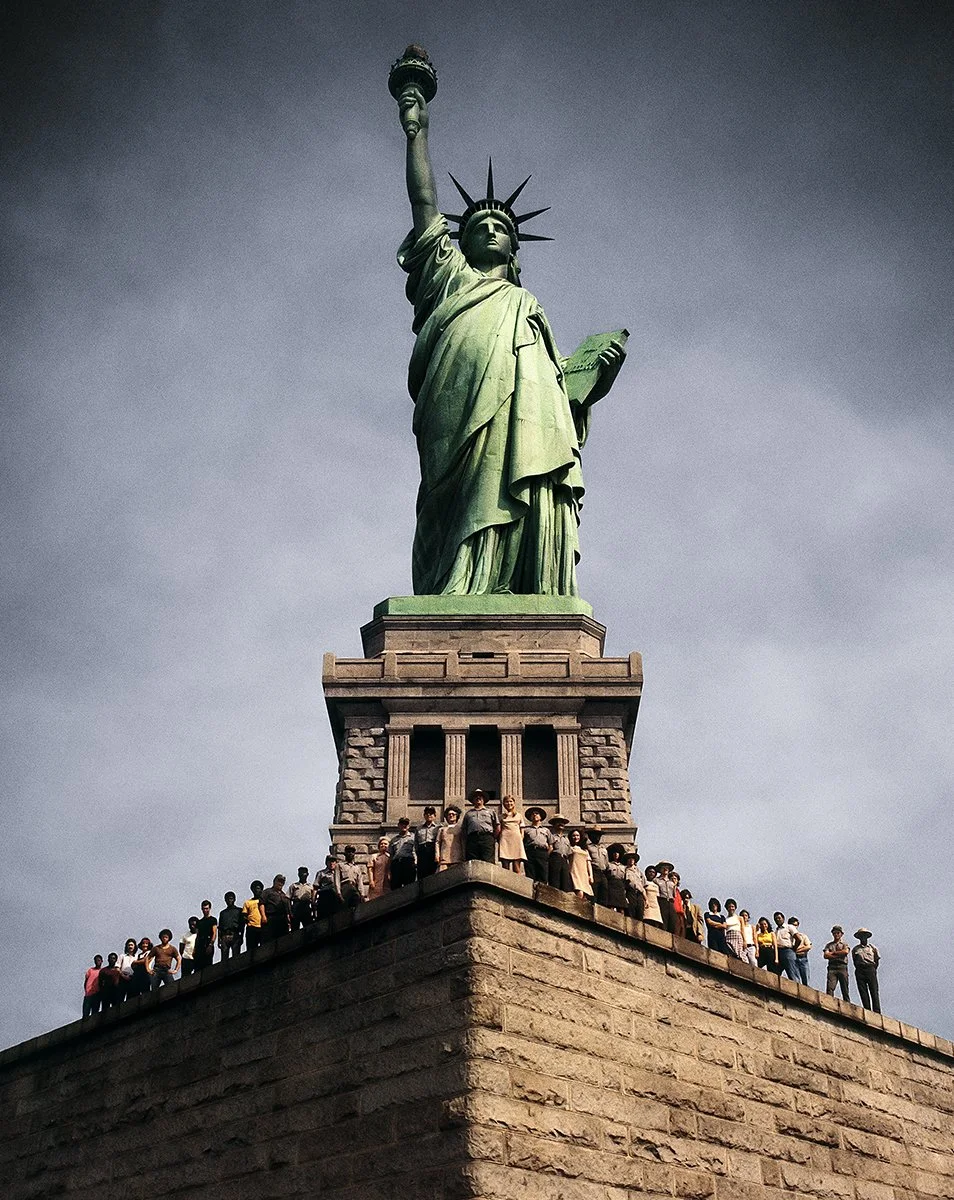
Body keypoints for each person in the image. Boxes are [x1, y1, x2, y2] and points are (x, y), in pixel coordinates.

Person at [395, 78, 626, 597]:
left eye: (501, 225)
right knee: (460, 498)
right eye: (479, 224)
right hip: (457, 416)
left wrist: (592, 379)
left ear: (515, 248)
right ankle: (460, 582)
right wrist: (416, 129)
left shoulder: (529, 310)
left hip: (524, 424)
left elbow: (557, 393)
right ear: (464, 239)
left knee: (527, 470)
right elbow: (425, 203)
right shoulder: (449, 278)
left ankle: (523, 585)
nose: (491, 228)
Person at [461, 791, 498, 863]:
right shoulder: (468, 814)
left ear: (484, 799)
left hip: (487, 838)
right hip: (472, 839)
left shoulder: (491, 812)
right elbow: (464, 829)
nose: (478, 798)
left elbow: (497, 826)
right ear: (473, 800)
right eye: (476, 796)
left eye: (480, 796)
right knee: (472, 861)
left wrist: (492, 838)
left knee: (488, 861)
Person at [852, 928, 880, 1012]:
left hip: (870, 969)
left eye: (864, 936)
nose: (863, 938)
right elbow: (854, 960)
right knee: (863, 991)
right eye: (861, 936)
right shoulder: (855, 949)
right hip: (860, 969)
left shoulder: (872, 948)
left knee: (874, 990)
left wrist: (873, 968)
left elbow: (877, 959)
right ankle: (867, 1009)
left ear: (867, 937)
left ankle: (877, 1011)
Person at [497, 795, 526, 873]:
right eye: (507, 801)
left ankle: (517, 884)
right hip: (505, 840)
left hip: (516, 840)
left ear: (514, 803)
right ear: (503, 804)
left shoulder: (519, 815)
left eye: (511, 801)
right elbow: (498, 829)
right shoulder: (501, 816)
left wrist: (520, 838)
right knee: (505, 867)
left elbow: (522, 829)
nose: (509, 803)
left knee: (516, 867)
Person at [522, 807, 550, 882]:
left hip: (542, 853)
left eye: (537, 813)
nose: (534, 815)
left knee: (543, 874)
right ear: (530, 817)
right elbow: (523, 843)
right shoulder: (526, 830)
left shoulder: (546, 830)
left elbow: (551, 845)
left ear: (540, 817)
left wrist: (547, 854)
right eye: (532, 814)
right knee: (530, 875)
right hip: (530, 852)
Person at [823, 925, 851, 1000]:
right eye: (835, 933)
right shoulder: (829, 945)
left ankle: (847, 1004)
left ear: (841, 934)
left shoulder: (844, 944)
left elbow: (845, 952)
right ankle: (829, 1002)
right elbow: (825, 955)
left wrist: (832, 953)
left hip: (842, 966)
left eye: (838, 933)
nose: (836, 934)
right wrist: (838, 954)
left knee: (844, 988)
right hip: (832, 967)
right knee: (830, 987)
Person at [389, 817, 417, 887]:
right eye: (402, 824)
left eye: (406, 824)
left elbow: (417, 851)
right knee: (395, 886)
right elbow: (391, 856)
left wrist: (416, 862)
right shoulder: (393, 840)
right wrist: (389, 870)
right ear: (398, 825)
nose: (404, 826)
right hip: (396, 864)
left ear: (409, 826)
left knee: (409, 886)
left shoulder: (414, 837)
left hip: (408, 863)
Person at [261, 875, 291, 941]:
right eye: (279, 881)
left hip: (282, 920)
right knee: (269, 939)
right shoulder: (267, 892)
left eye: (282, 882)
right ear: (274, 881)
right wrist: (263, 916)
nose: (281, 883)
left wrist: (289, 921)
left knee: (283, 939)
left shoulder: (284, 895)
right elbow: (262, 903)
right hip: (271, 918)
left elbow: (287, 909)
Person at [546, 815, 572, 890]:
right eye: (558, 822)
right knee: (554, 882)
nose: (561, 824)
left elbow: (569, 853)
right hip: (554, 859)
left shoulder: (566, 839)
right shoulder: (551, 836)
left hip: (564, 860)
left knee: (565, 883)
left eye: (563, 822)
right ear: (554, 824)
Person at [772, 912, 799, 981]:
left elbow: (798, 938)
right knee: (776, 973)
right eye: (775, 919)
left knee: (792, 972)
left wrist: (794, 948)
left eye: (779, 918)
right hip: (778, 952)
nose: (777, 920)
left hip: (787, 951)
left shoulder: (789, 927)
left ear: (783, 918)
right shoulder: (776, 931)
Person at [414, 807, 441, 878]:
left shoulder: (438, 828)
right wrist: (416, 857)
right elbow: (416, 843)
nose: (429, 815)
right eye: (427, 813)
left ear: (435, 815)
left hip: (433, 852)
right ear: (424, 815)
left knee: (433, 874)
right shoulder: (418, 828)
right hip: (422, 852)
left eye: (431, 813)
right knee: (421, 874)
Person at [586, 827, 609, 906]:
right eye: (595, 835)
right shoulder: (588, 847)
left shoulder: (604, 849)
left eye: (599, 835)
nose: (597, 837)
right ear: (590, 836)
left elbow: (606, 862)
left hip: (602, 872)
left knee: (604, 891)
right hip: (594, 871)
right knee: (594, 891)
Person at [437, 806, 464, 871]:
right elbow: (437, 843)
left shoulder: (461, 829)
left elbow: (463, 843)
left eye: (453, 814)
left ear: (457, 816)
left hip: (457, 858)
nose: (451, 816)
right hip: (444, 858)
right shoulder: (442, 829)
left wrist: (464, 856)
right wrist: (437, 855)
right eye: (449, 814)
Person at [568, 828, 593, 899]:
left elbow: (588, 863)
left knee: (585, 895)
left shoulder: (585, 850)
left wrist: (590, 875)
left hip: (584, 874)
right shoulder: (570, 848)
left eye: (577, 835)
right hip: (574, 872)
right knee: (579, 893)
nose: (576, 837)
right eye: (574, 836)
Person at [242, 881, 267, 951]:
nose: (256, 890)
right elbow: (244, 915)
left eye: (258, 888)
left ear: (262, 890)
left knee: (264, 948)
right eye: (254, 888)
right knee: (251, 949)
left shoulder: (265, 901)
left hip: (263, 926)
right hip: (252, 928)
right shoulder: (248, 902)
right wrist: (248, 922)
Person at [218, 892, 244, 959]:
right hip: (224, 936)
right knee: (224, 958)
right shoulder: (222, 913)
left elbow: (242, 925)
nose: (229, 901)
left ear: (234, 899)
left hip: (235, 935)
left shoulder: (239, 911)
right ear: (225, 900)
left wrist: (241, 937)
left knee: (236, 958)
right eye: (227, 899)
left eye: (231, 899)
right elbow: (220, 927)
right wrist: (219, 939)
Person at [194, 900, 217, 969]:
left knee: (208, 966)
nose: (205, 910)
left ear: (209, 909)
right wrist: (195, 948)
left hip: (208, 943)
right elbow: (197, 936)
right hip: (200, 945)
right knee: (198, 966)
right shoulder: (199, 922)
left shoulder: (213, 920)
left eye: (207, 908)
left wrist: (211, 945)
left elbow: (214, 933)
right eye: (204, 909)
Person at [624, 851, 646, 921]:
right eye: (629, 859)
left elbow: (642, 886)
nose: (631, 860)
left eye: (632, 859)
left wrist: (646, 899)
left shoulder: (639, 871)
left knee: (640, 911)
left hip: (639, 893)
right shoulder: (625, 870)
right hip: (630, 892)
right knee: (631, 911)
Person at [790, 917, 812, 985]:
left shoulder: (802, 936)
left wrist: (797, 950)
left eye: (796, 925)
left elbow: (808, 946)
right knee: (796, 979)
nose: (794, 927)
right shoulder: (788, 937)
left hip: (803, 958)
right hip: (794, 958)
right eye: (793, 925)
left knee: (806, 979)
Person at [655, 862, 676, 933]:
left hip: (670, 902)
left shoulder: (672, 883)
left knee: (672, 921)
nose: (665, 869)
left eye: (667, 867)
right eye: (663, 867)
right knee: (663, 921)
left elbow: (674, 895)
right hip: (662, 901)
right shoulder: (656, 880)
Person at [670, 872, 686, 939]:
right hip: (674, 912)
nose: (674, 880)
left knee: (682, 931)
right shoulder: (669, 890)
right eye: (672, 879)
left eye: (675, 879)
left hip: (681, 913)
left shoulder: (678, 891)